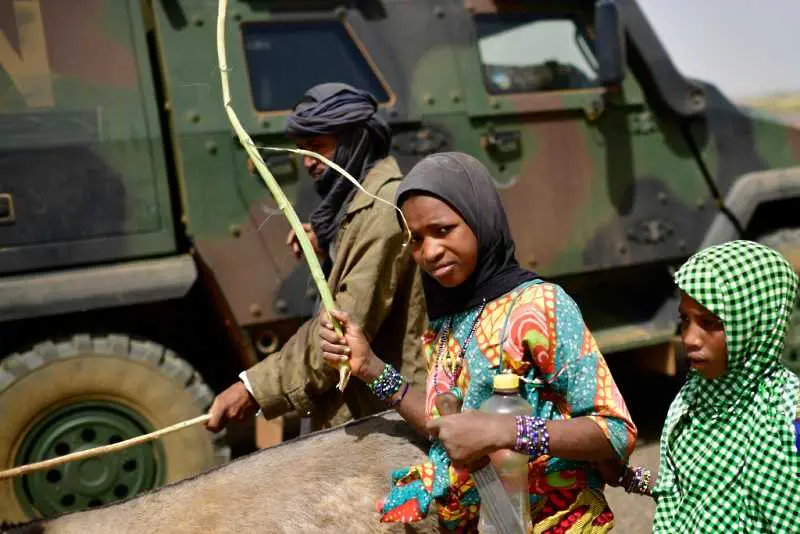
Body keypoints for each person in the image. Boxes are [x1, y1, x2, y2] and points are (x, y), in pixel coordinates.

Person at [320, 152, 638, 531]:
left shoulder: (539, 307)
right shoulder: (449, 318)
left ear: (478, 217)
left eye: (443, 230)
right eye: (416, 240)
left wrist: (508, 431)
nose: (429, 251)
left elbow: (615, 431)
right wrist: (371, 368)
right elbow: (449, 426)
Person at [206, 83, 427, 433]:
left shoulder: (383, 210)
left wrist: (253, 389)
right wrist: (331, 246)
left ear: (355, 143)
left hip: (390, 422)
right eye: (302, 150)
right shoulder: (354, 206)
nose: (308, 163)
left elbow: (340, 335)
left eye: (318, 148)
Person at [611, 240, 800, 533]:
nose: (689, 339)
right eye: (685, 320)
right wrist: (627, 476)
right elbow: (686, 493)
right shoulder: (693, 399)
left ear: (754, 324)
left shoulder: (788, 415)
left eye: (709, 322)